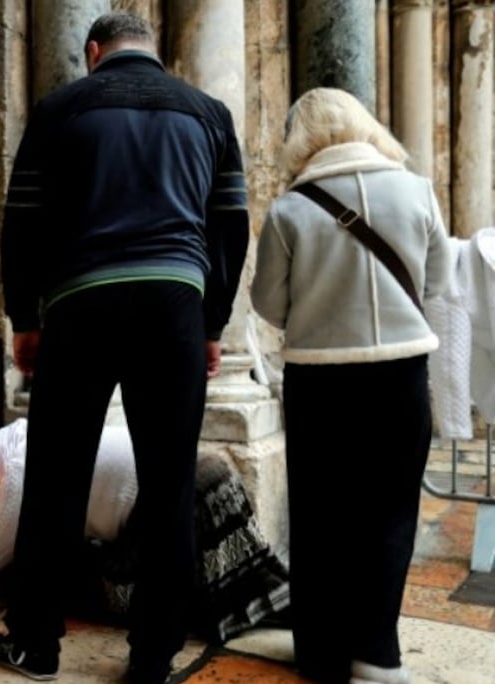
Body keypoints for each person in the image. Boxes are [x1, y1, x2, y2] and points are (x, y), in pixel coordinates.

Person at [0, 12, 250, 683]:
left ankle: (36, 645)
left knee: (56, 477)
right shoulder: (210, 112)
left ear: (94, 50)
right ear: (153, 51)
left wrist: (26, 316)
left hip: (82, 301)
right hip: (174, 303)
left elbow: (23, 221)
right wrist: (213, 323)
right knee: (169, 483)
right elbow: (231, 227)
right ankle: (152, 657)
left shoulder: (60, 108)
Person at [251, 87, 449, 684]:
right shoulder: (415, 191)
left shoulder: (290, 208)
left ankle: (321, 651)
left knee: (320, 517)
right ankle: (378, 653)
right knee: (390, 512)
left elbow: (269, 305)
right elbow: (436, 281)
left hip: (320, 381)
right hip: (400, 374)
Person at [0, 419, 291, 647]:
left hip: (182, 501)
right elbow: (17, 537)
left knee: (106, 590)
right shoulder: (44, 436)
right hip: (209, 474)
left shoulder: (22, 465)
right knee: (257, 586)